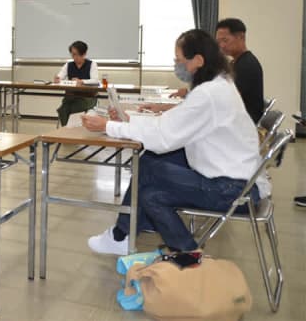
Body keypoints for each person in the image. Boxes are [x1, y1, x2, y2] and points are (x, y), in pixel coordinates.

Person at [81, 29, 264, 255]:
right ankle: (187, 253)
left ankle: (122, 234)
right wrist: (130, 120)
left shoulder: (208, 93)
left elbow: (162, 138)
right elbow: (171, 125)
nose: (177, 66)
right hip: (238, 182)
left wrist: (107, 126)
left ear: (198, 60)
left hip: (230, 190)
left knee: (149, 166)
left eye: (179, 61)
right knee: (149, 192)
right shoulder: (219, 84)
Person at [170, 18, 264, 123]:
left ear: (241, 37)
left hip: (244, 122)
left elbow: (224, 103)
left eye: (225, 40)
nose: (221, 45)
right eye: (218, 41)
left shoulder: (246, 65)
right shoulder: (237, 62)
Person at [53, 40, 99, 126]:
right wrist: (57, 79)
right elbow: (60, 77)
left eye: (77, 54)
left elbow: (95, 80)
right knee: (64, 108)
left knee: (75, 108)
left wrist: (81, 81)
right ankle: (66, 132)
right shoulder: (69, 65)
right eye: (73, 54)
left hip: (87, 97)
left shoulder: (92, 64)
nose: (74, 57)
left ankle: (73, 132)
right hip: (71, 97)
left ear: (84, 54)